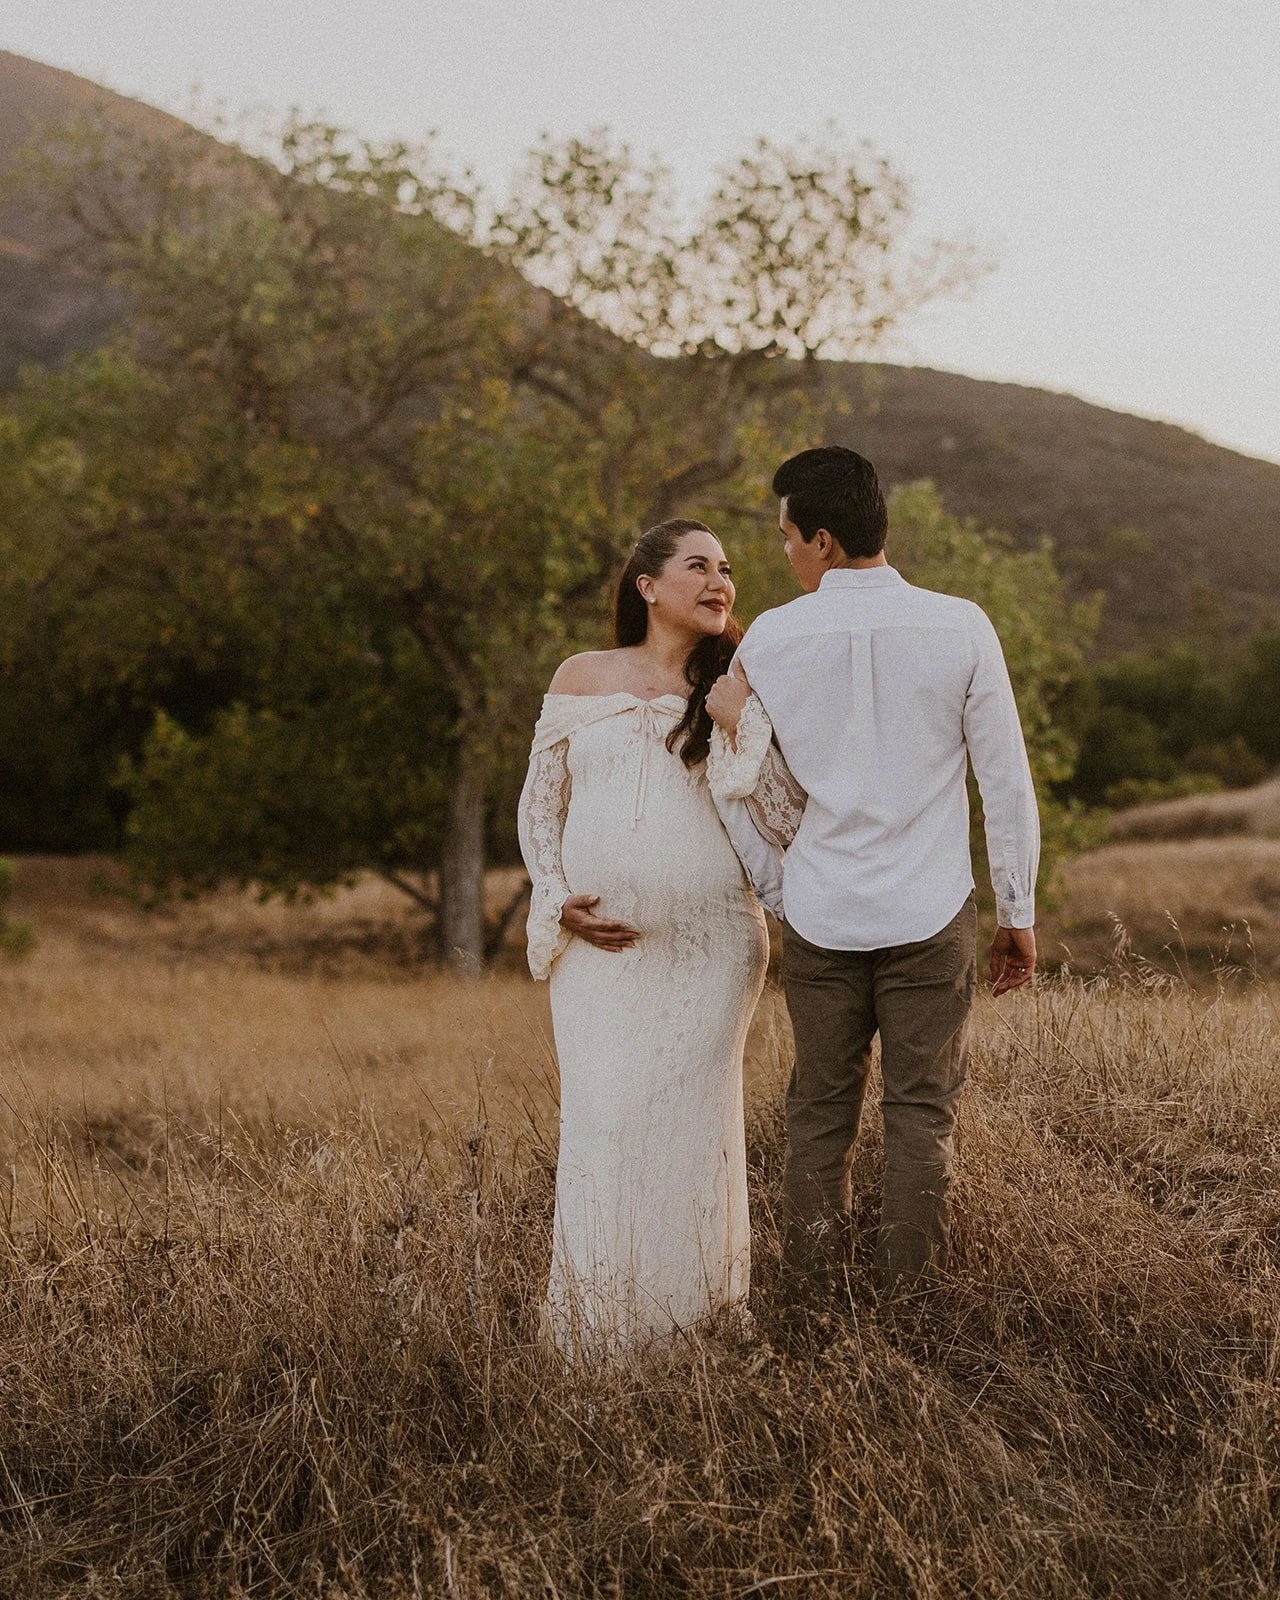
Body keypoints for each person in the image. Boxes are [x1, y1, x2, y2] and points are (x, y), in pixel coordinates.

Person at [706, 446, 1040, 1308]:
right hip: (930, 912)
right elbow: (1003, 779)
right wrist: (1019, 910)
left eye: (785, 538)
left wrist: (783, 893)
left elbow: (737, 774)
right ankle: (911, 1313)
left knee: (818, 1114)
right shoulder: (960, 624)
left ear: (821, 539)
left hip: (820, 914)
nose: (781, 555)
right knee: (921, 1113)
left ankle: (813, 1310)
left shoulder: (774, 637)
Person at [517, 518, 802, 1356]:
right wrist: (555, 892)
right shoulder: (581, 676)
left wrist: (743, 722)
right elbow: (541, 806)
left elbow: (785, 819)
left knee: (688, 1133)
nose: (721, 582)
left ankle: (695, 1336)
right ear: (648, 586)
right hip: (600, 960)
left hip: (713, 955)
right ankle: (596, 1342)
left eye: (727, 570)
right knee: (603, 1124)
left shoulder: (740, 682)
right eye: (698, 567)